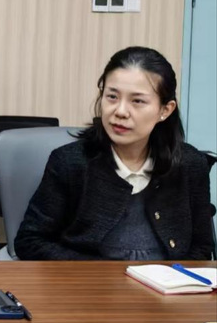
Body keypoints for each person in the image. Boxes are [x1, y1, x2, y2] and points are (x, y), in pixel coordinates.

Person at [15, 46, 215, 260]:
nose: (120, 111)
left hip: (167, 282)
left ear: (165, 110)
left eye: (137, 101)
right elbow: (30, 241)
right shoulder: (69, 162)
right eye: (112, 96)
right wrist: (99, 272)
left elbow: (202, 248)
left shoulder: (191, 164)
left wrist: (173, 278)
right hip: (91, 280)